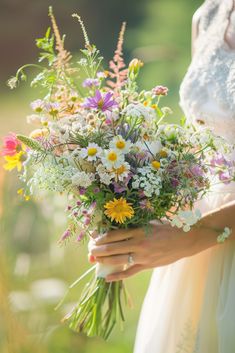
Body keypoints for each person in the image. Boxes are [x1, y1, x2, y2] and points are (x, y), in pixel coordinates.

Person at [89, 0, 235, 351]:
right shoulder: (208, 15)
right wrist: (131, 212)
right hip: (196, 255)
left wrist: (196, 235)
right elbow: (199, 147)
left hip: (204, 236)